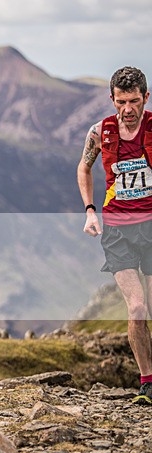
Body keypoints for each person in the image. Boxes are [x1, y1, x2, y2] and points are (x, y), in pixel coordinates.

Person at [78, 66, 152, 404]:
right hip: (118, 233)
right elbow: (83, 168)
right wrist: (90, 210)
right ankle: (147, 382)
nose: (128, 109)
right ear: (112, 100)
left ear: (145, 98)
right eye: (121, 102)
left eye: (134, 101)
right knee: (137, 308)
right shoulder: (98, 132)